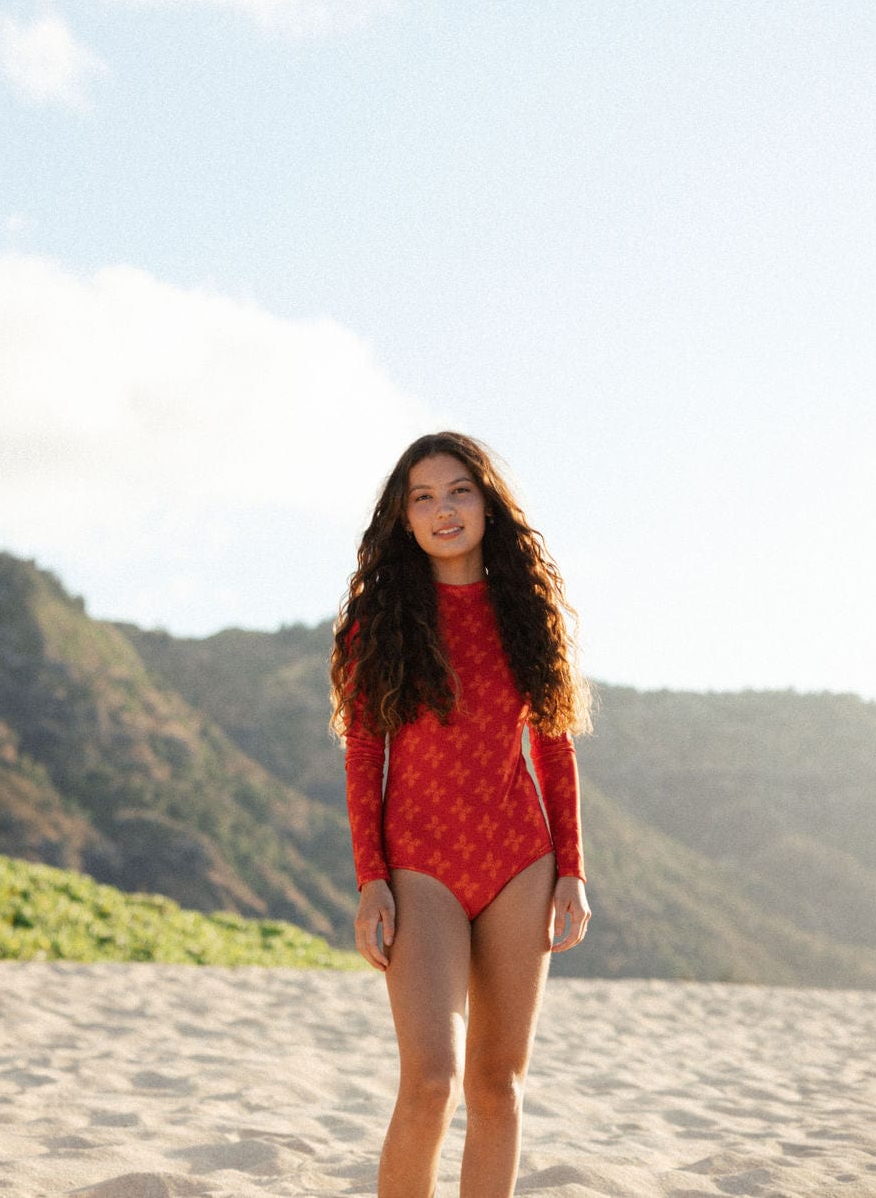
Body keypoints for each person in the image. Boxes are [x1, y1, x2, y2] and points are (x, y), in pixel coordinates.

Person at [330, 430, 591, 1198]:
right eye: (423, 496)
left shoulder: (527, 612)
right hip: (420, 865)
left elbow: (554, 748)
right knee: (431, 1083)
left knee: (499, 1088)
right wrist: (370, 879)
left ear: (487, 502)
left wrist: (572, 869)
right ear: (403, 517)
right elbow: (361, 755)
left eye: (459, 491)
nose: (443, 509)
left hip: (520, 858)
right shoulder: (376, 622)